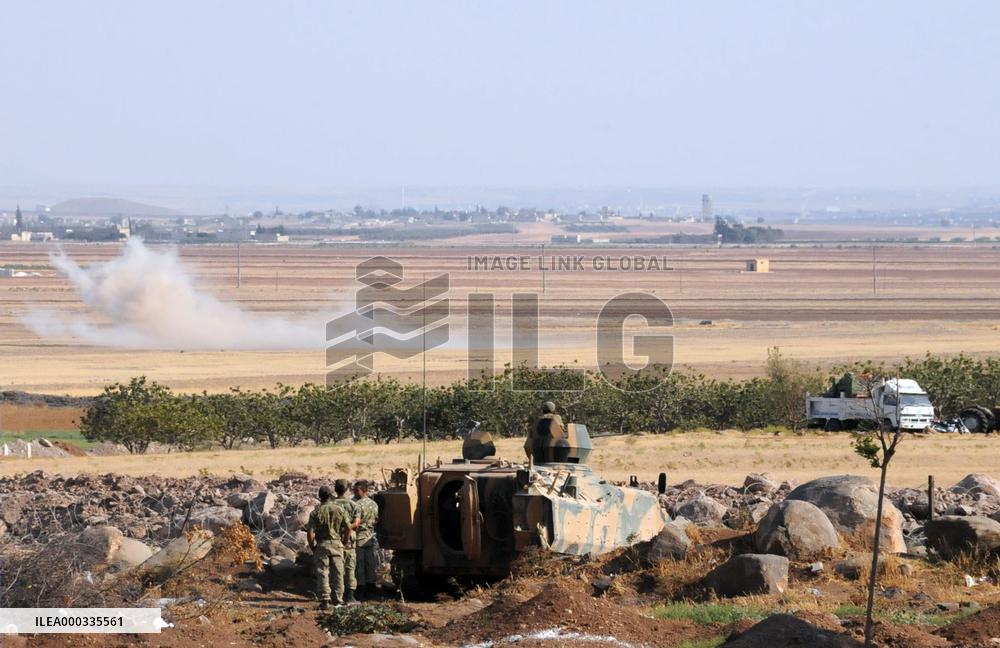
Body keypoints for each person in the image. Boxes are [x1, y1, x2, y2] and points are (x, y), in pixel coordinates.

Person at [306, 484, 350, 609]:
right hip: (337, 544)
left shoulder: (315, 512)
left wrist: (312, 546)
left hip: (322, 545)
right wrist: (345, 542)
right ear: (331, 495)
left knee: (323, 572)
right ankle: (338, 600)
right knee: (339, 572)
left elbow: (310, 533)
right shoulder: (340, 509)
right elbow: (348, 528)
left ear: (319, 497)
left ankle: (325, 600)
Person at [331, 478, 362, 604]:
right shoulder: (353, 505)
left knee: (334, 567)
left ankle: (335, 595)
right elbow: (356, 523)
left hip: (334, 538)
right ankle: (350, 596)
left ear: (335, 489)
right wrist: (348, 527)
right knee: (349, 567)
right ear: (347, 489)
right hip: (349, 540)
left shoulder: (331, 504)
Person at [352, 480, 380, 599]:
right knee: (370, 564)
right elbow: (377, 520)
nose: (354, 492)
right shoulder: (374, 504)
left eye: (356, 490)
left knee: (359, 565)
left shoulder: (355, 504)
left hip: (359, 537)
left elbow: (353, 522)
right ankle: (371, 589)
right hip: (370, 536)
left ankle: (361, 590)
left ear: (363, 490)